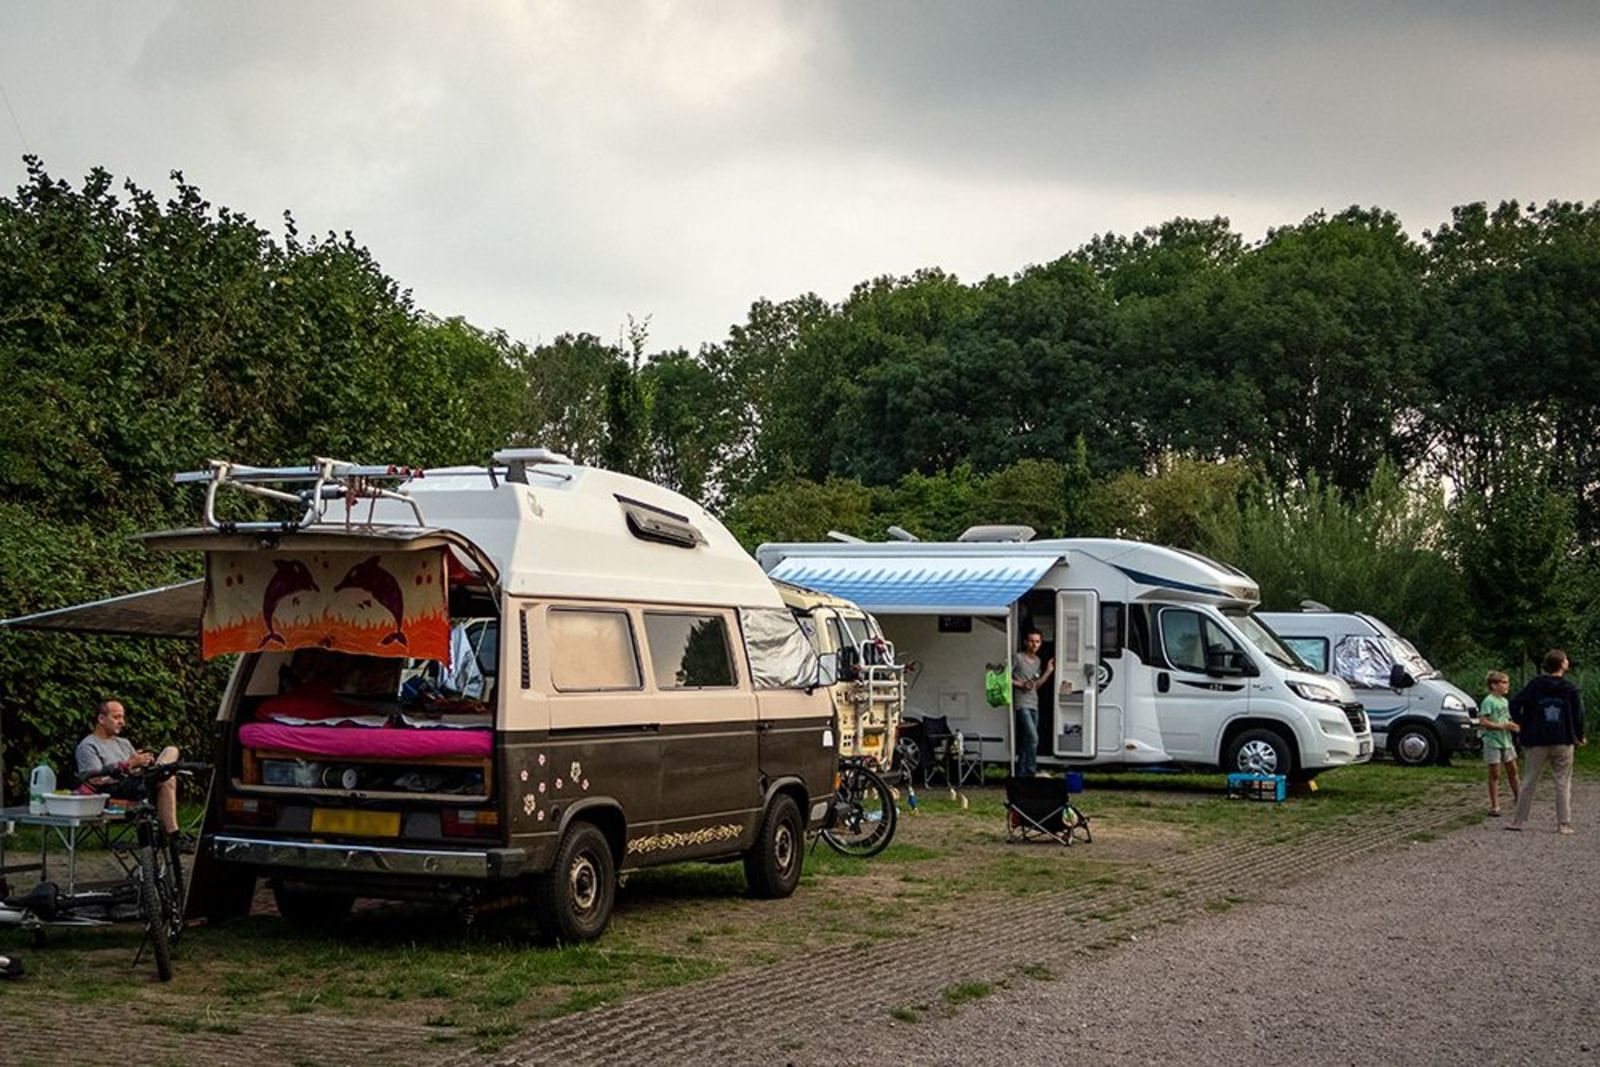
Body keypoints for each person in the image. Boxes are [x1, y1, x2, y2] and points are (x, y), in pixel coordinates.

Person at [1507, 650, 1587, 834]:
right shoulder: (1570, 688)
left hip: (1536, 738)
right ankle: (1563, 823)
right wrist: (1579, 734)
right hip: (1563, 738)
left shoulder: (1535, 685)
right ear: (1562, 665)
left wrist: (1523, 723)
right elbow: (1578, 714)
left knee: (1529, 780)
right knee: (1562, 781)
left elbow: (1514, 703)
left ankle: (1518, 821)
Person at [75, 700, 180, 836]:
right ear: (101, 719)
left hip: (137, 781)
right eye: (117, 717)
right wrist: (130, 764)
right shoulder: (88, 746)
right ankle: (173, 835)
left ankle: (157, 769)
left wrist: (143, 763)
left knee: (172, 750)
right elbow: (95, 779)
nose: (122, 722)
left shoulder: (123, 743)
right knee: (168, 780)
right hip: (114, 790)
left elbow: (134, 769)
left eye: (122, 717)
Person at [1477, 670, 1520, 816]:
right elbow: (1483, 721)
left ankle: (1519, 799)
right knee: (1495, 773)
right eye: (1504, 682)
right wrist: (1502, 727)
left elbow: (1505, 719)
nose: (1507, 686)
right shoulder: (1488, 701)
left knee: (1513, 770)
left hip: (1506, 741)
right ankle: (1495, 805)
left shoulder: (1504, 701)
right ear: (1494, 685)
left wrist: (1513, 726)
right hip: (1492, 741)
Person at [1012, 630, 1054, 777]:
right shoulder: (1017, 658)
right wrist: (1021, 684)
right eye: (1031, 641)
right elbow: (1004, 678)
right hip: (1021, 703)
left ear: (1040, 643)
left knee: (1027, 740)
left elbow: (1036, 685)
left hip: (1033, 703)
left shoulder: (1038, 661)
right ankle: (1031, 770)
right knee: (1033, 737)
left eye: (1037, 642)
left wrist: (1048, 671)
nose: (1034, 644)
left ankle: (1021, 774)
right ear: (1025, 642)